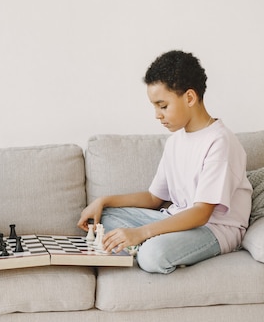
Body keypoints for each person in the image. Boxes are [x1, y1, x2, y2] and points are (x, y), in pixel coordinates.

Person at [77, 50, 252, 274]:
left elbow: (201, 213)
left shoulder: (220, 142)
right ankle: (145, 243)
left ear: (189, 97)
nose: (157, 115)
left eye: (162, 106)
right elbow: (153, 198)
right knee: (104, 218)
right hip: (176, 220)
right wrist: (103, 200)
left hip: (214, 230)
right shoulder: (175, 141)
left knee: (152, 256)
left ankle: (146, 245)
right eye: (154, 107)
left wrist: (142, 232)